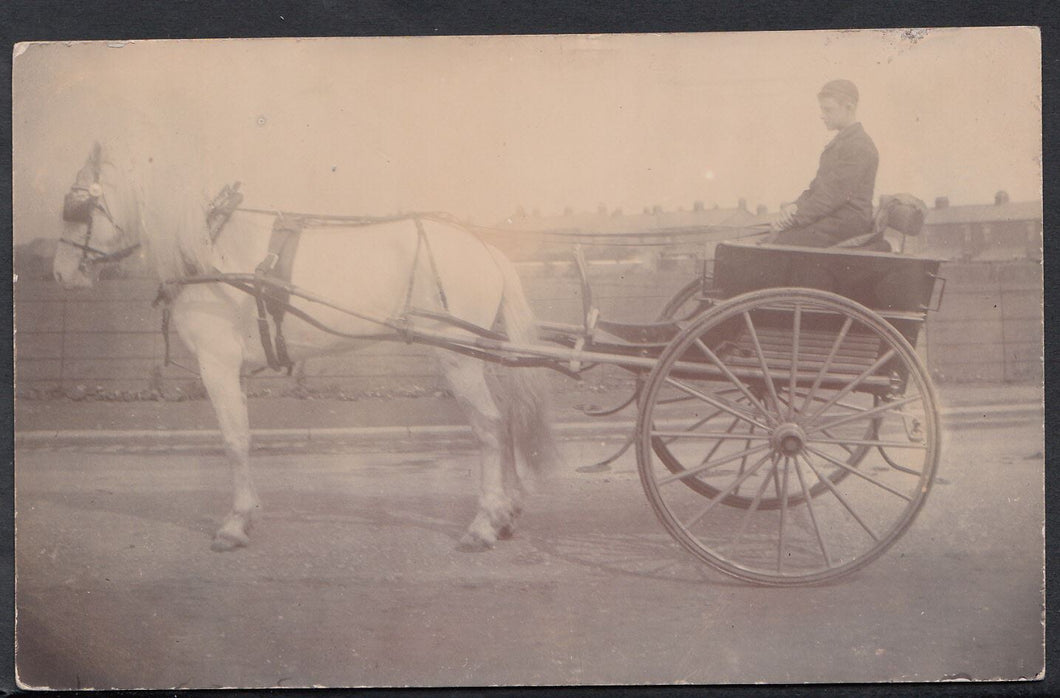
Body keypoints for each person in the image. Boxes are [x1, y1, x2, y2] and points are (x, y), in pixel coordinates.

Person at [769, 79, 879, 247]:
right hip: (834, 215)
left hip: (848, 221)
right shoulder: (841, 143)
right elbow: (817, 188)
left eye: (828, 110)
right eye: (822, 109)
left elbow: (831, 196)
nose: (822, 115)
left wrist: (795, 218)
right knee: (777, 237)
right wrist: (794, 207)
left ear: (849, 107)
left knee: (784, 243)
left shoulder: (859, 146)